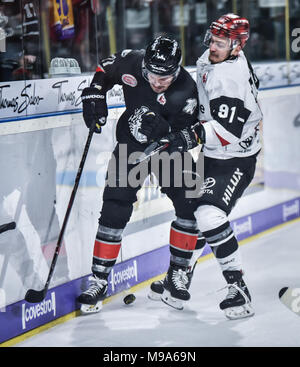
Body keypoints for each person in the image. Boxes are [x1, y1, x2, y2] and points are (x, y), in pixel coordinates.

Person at [77, 36, 206, 314]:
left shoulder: (187, 90)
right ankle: (98, 280)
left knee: (191, 205)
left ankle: (177, 274)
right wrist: (95, 93)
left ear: (177, 71)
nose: (157, 82)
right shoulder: (132, 61)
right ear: (144, 65)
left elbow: (195, 134)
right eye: (151, 74)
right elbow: (105, 69)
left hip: (167, 151)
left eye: (165, 77)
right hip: (130, 147)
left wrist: (168, 136)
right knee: (113, 209)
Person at [150, 14, 263, 320]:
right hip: (214, 155)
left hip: (235, 157)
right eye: (211, 39)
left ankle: (237, 286)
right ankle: (180, 277)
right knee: (195, 212)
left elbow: (228, 132)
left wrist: (189, 136)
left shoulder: (230, 76)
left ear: (237, 46)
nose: (212, 46)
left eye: (220, 42)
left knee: (208, 214)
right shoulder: (215, 59)